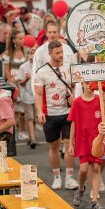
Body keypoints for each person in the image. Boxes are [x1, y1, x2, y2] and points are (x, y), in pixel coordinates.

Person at [34, 40, 79, 190]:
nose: (61, 56)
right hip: (50, 114)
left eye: (62, 52)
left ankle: (70, 178)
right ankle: (56, 177)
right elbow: (39, 94)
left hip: (67, 112)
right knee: (53, 146)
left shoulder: (69, 68)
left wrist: (73, 96)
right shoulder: (41, 72)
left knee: (69, 145)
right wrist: (40, 111)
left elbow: (74, 87)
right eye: (57, 53)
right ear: (50, 53)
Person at [68, 82, 105, 209]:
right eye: (86, 83)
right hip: (82, 140)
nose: (89, 85)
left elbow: (104, 119)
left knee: (96, 168)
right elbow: (73, 123)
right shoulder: (77, 102)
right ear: (82, 84)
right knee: (83, 169)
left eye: (92, 83)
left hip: (96, 140)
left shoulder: (99, 100)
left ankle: (95, 200)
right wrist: (70, 143)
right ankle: (81, 188)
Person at [16, 47, 37, 148]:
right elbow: (20, 82)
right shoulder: (23, 67)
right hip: (27, 95)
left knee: (35, 120)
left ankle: (30, 136)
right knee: (29, 117)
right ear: (28, 55)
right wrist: (26, 79)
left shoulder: (40, 65)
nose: (32, 55)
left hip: (37, 96)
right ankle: (33, 139)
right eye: (31, 53)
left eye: (34, 53)